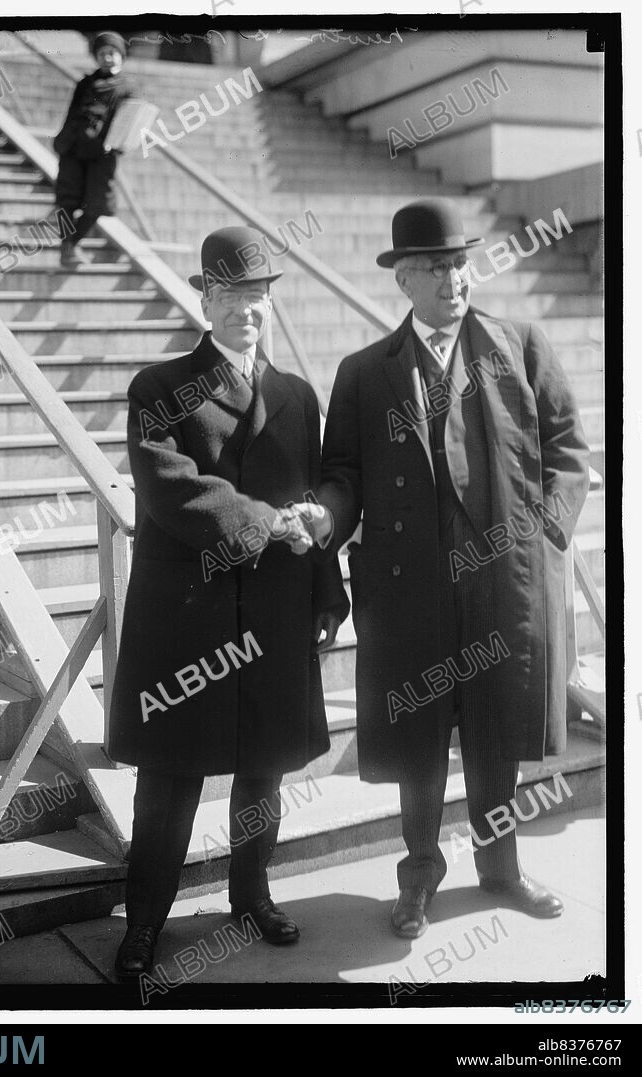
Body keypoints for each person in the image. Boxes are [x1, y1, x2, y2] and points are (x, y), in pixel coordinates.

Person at [290, 198, 590, 939]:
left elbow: (568, 450)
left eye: (458, 263)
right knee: (420, 738)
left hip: (503, 581)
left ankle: (501, 869)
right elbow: (344, 472)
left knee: (495, 729)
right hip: (409, 587)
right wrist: (326, 515)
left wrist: (545, 532)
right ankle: (418, 876)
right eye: (432, 267)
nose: (452, 280)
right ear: (403, 282)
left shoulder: (518, 343)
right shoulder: (365, 373)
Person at [108, 226, 349, 979]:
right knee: (169, 780)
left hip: (274, 610)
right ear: (205, 298)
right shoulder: (159, 387)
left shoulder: (295, 394)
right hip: (187, 615)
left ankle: (250, 896)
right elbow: (171, 488)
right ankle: (145, 922)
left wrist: (323, 582)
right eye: (234, 294)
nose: (249, 308)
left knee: (265, 769)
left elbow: (311, 490)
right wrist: (270, 524)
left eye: (259, 295)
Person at [52, 31, 133, 268]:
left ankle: (74, 241)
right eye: (102, 54)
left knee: (98, 203)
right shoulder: (85, 83)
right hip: (74, 148)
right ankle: (67, 246)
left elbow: (132, 120)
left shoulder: (127, 88)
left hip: (103, 153)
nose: (108, 58)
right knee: (66, 201)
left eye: (112, 53)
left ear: (121, 56)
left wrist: (118, 144)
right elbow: (71, 114)